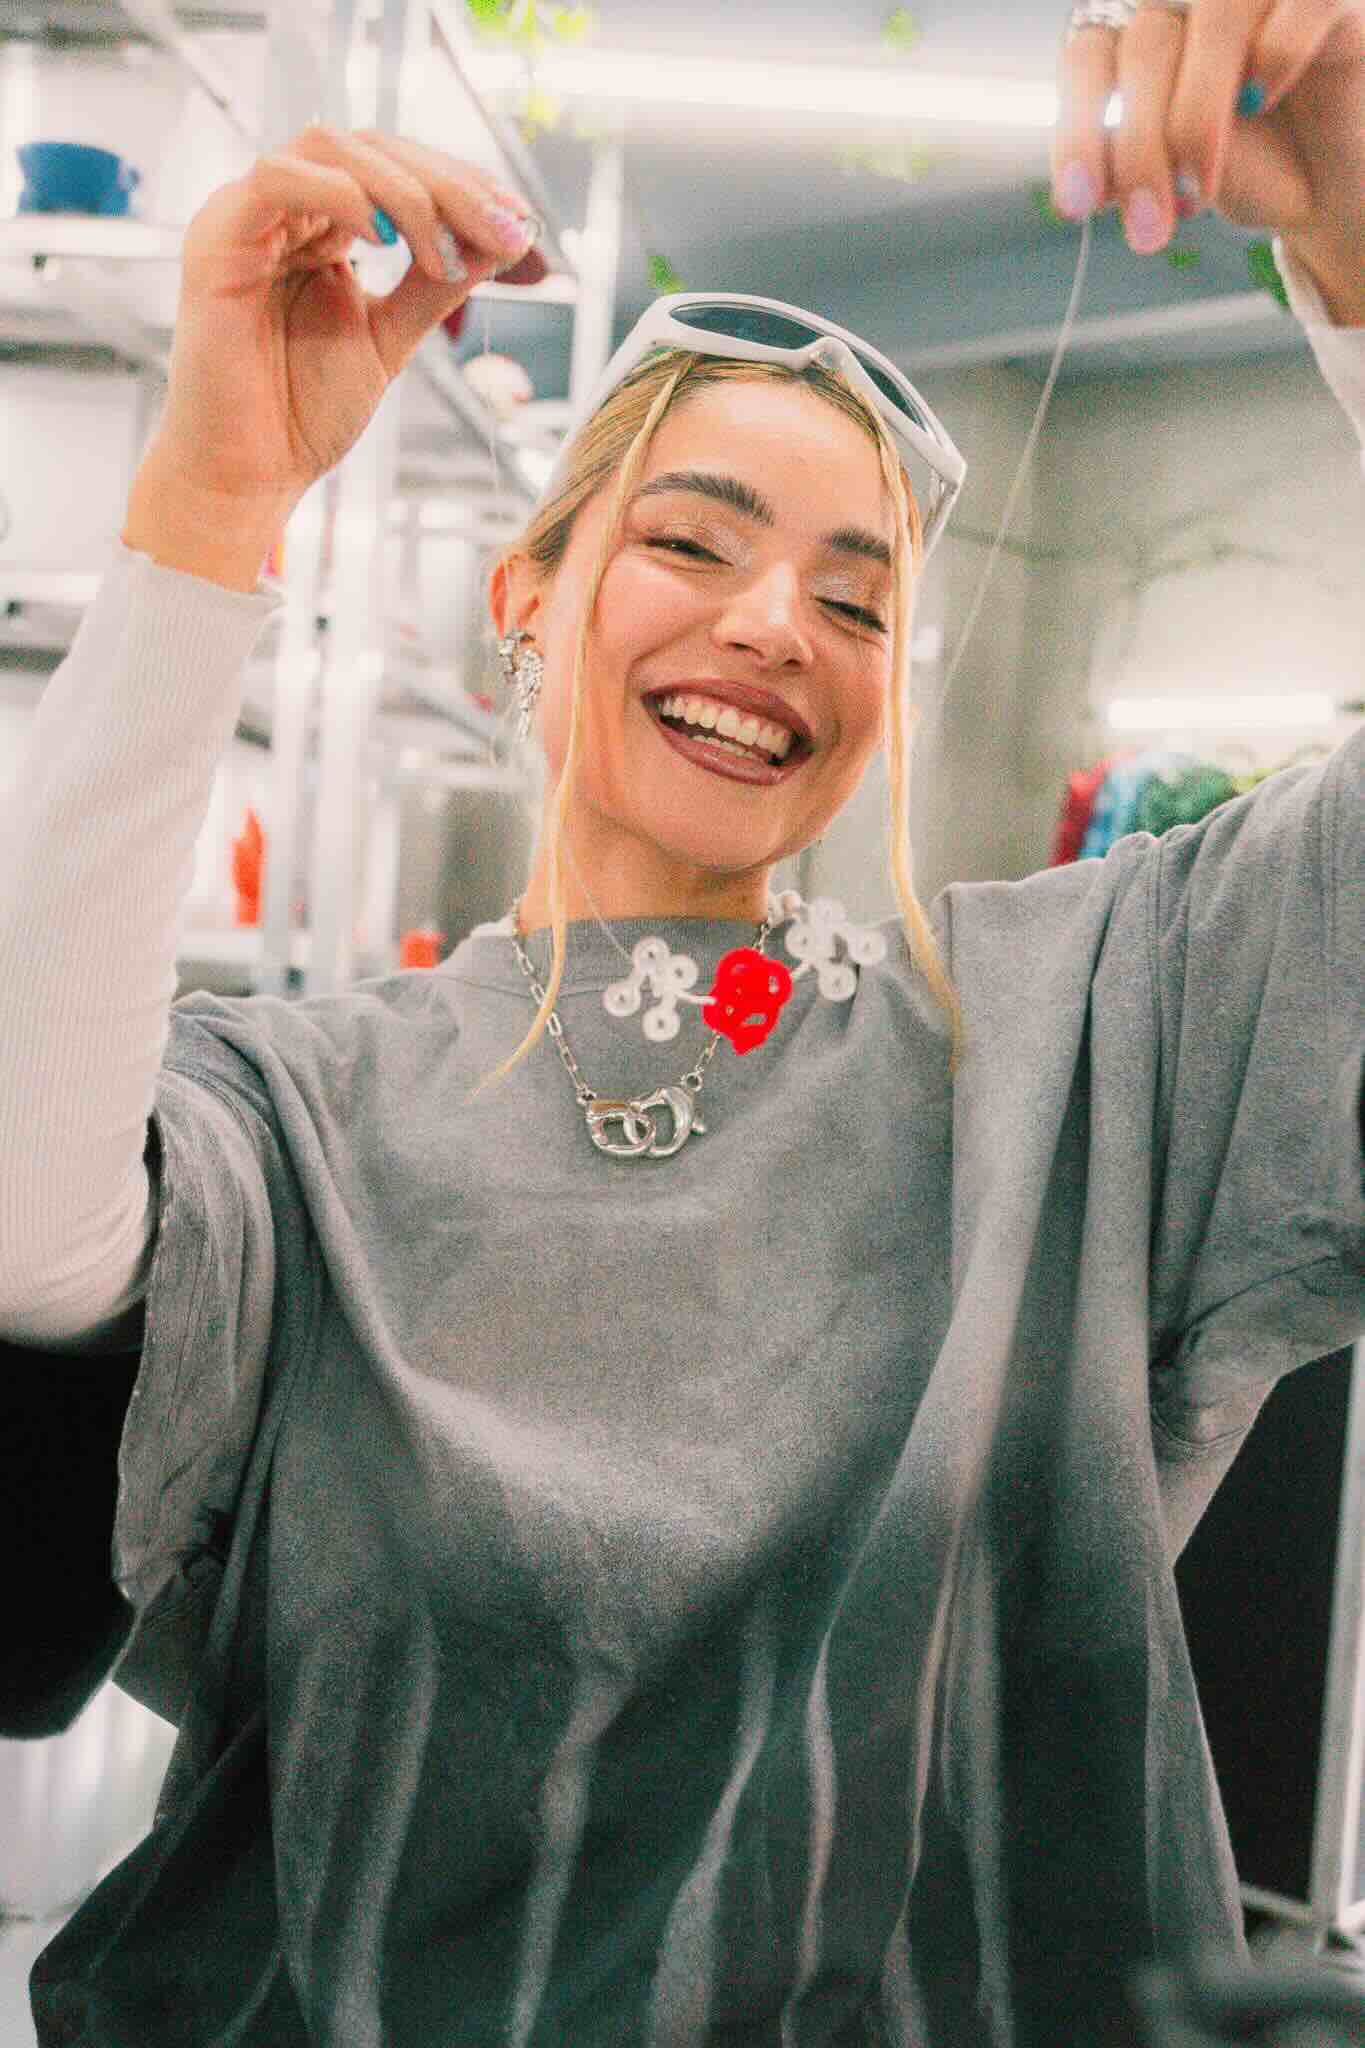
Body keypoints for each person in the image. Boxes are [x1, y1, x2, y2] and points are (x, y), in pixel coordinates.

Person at [0, 2, 1362, 2042]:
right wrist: (206, 509)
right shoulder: (305, 1114)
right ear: (526, 596)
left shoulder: (1085, 1036)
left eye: (853, 592)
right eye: (693, 539)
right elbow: (25, 1224)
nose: (766, 626)